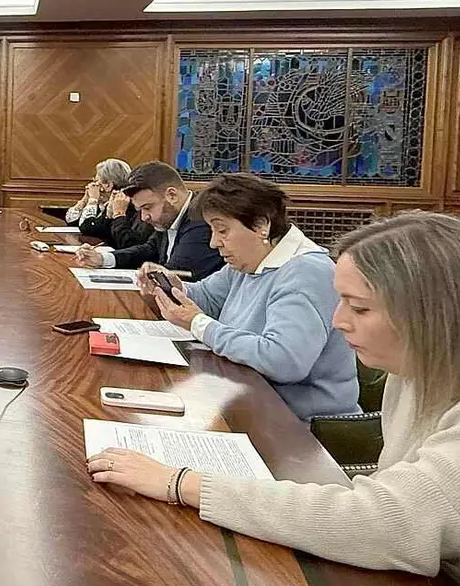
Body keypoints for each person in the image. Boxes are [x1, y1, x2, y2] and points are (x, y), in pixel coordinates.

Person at [87, 211, 460, 586]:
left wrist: (181, 482)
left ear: (435, 315)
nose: (337, 321)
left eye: (360, 308)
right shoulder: (416, 377)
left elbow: (384, 523)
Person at [138, 174, 358, 420]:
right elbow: (208, 299)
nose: (213, 243)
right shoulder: (248, 262)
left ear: (261, 225)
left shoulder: (306, 271)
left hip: (298, 426)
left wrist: (198, 323)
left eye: (222, 230)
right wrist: (175, 288)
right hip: (245, 399)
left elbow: (283, 361)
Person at [76, 161, 223, 281]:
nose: (144, 217)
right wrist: (102, 259)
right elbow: (149, 249)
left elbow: (175, 274)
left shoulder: (201, 220)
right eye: (140, 210)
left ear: (171, 195)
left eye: (147, 208)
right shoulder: (171, 217)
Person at [72, 158, 155, 250]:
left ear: (109, 185)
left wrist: (93, 200)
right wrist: (85, 200)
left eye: (96, 182)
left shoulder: (125, 201)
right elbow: (73, 221)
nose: (91, 186)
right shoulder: (113, 199)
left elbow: (127, 243)